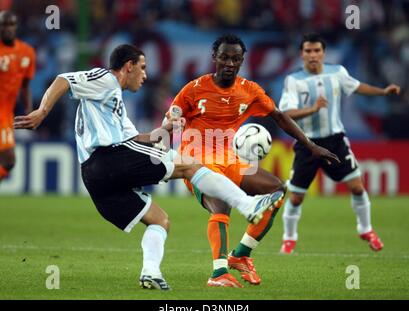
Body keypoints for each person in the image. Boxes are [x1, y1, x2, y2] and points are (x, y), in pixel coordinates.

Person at [14, 44, 283, 291]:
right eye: (142, 68)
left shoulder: (116, 106)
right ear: (128, 66)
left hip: (95, 177)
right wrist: (42, 110)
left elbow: (140, 140)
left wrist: (167, 129)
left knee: (160, 220)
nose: (145, 75)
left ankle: (150, 272)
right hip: (108, 158)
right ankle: (248, 205)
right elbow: (64, 79)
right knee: (189, 164)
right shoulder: (105, 79)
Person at [165, 34, 339, 288]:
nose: (229, 63)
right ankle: (218, 273)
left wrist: (311, 146)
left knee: (277, 190)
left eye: (236, 59)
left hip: (231, 160)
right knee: (222, 204)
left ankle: (241, 255)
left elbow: (279, 116)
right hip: (197, 162)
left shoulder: (249, 90)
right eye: (224, 57)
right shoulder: (193, 90)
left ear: (242, 61)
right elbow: (169, 122)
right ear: (214, 57)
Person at [279, 33, 401, 254]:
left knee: (357, 186)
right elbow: (286, 113)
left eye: (317, 50)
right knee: (296, 198)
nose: (313, 55)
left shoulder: (337, 72)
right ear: (302, 54)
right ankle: (289, 239)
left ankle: (366, 229)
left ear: (323, 53)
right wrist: (313, 109)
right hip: (307, 144)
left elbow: (357, 86)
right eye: (308, 51)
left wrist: (383, 91)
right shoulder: (293, 80)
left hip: (335, 141)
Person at [0, 11, 35, 183]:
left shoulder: (27, 52)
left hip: (7, 114)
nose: (7, 28)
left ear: (16, 27)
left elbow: (26, 85)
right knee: (9, 159)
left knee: (9, 161)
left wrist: (29, 110)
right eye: (3, 25)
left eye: (10, 24)